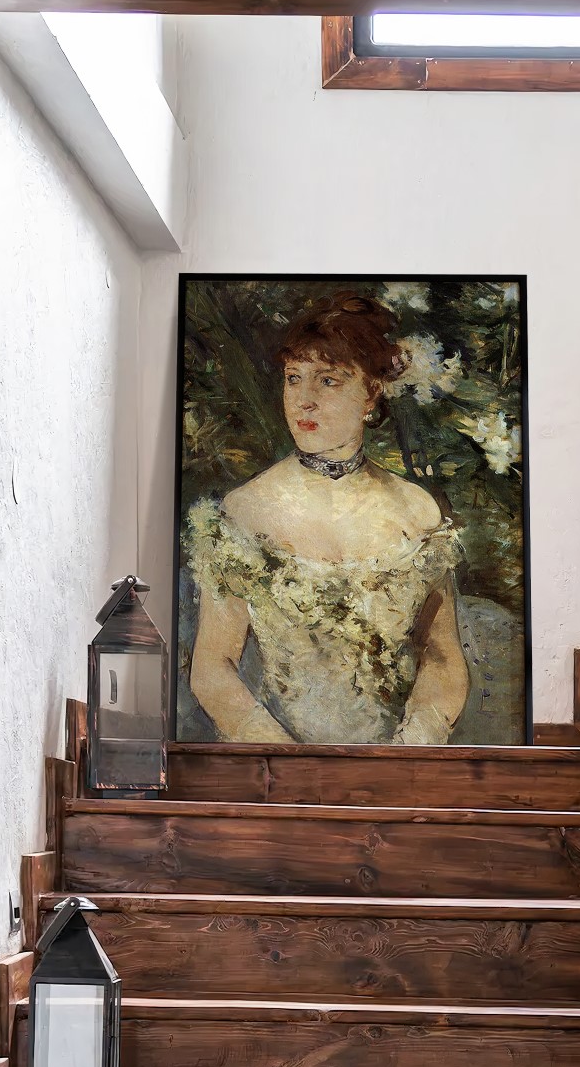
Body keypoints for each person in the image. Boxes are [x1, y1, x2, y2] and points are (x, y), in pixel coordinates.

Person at [186, 293, 470, 744]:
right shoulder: (246, 509)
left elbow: (442, 657)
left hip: (393, 764)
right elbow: (212, 669)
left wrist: (410, 749)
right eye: (293, 379)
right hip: (277, 761)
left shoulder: (416, 511)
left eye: (328, 381)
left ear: (370, 393)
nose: (304, 401)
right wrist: (288, 761)